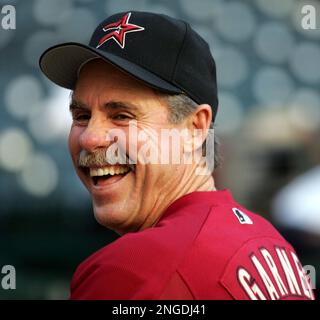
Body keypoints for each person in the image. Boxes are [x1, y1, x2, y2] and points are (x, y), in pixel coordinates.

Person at [39, 11, 314, 300]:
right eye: (81, 115)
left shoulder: (133, 269)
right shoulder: (273, 244)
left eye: (121, 115)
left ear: (195, 128)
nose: (90, 137)